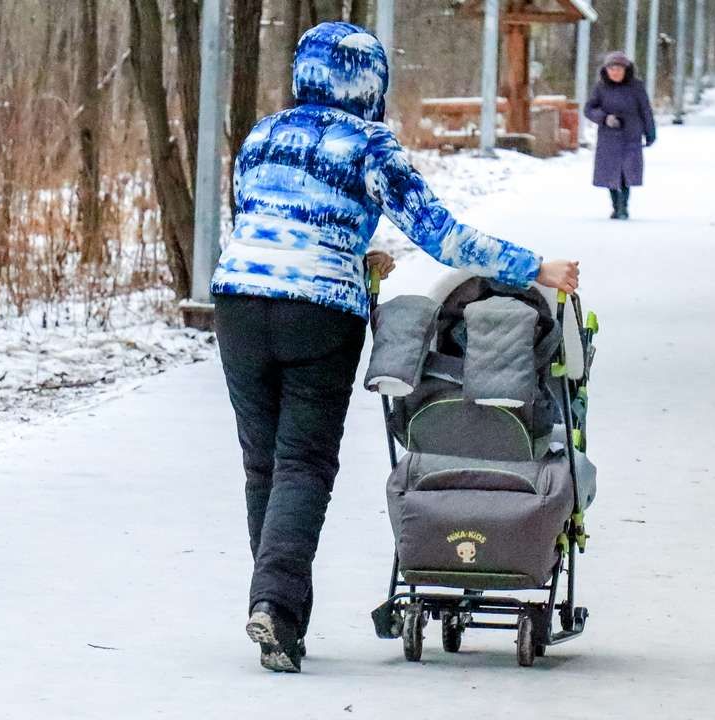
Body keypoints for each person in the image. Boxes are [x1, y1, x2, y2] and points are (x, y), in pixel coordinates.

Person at [211, 21, 581, 674]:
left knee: (261, 464)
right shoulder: (371, 145)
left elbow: (260, 219)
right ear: (370, 83)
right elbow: (443, 237)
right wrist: (535, 268)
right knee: (302, 463)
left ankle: (278, 613)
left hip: (239, 300)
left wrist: (356, 252)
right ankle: (273, 603)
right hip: (318, 313)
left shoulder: (264, 134)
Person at [584, 51, 655, 220]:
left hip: (631, 136)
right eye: (612, 69)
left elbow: (645, 110)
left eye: (619, 69)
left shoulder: (636, 87)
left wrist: (650, 133)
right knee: (611, 173)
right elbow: (589, 109)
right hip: (609, 138)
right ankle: (616, 206)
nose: (615, 72)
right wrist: (605, 118)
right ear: (606, 70)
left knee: (626, 173)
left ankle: (624, 206)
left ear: (626, 70)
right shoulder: (600, 88)